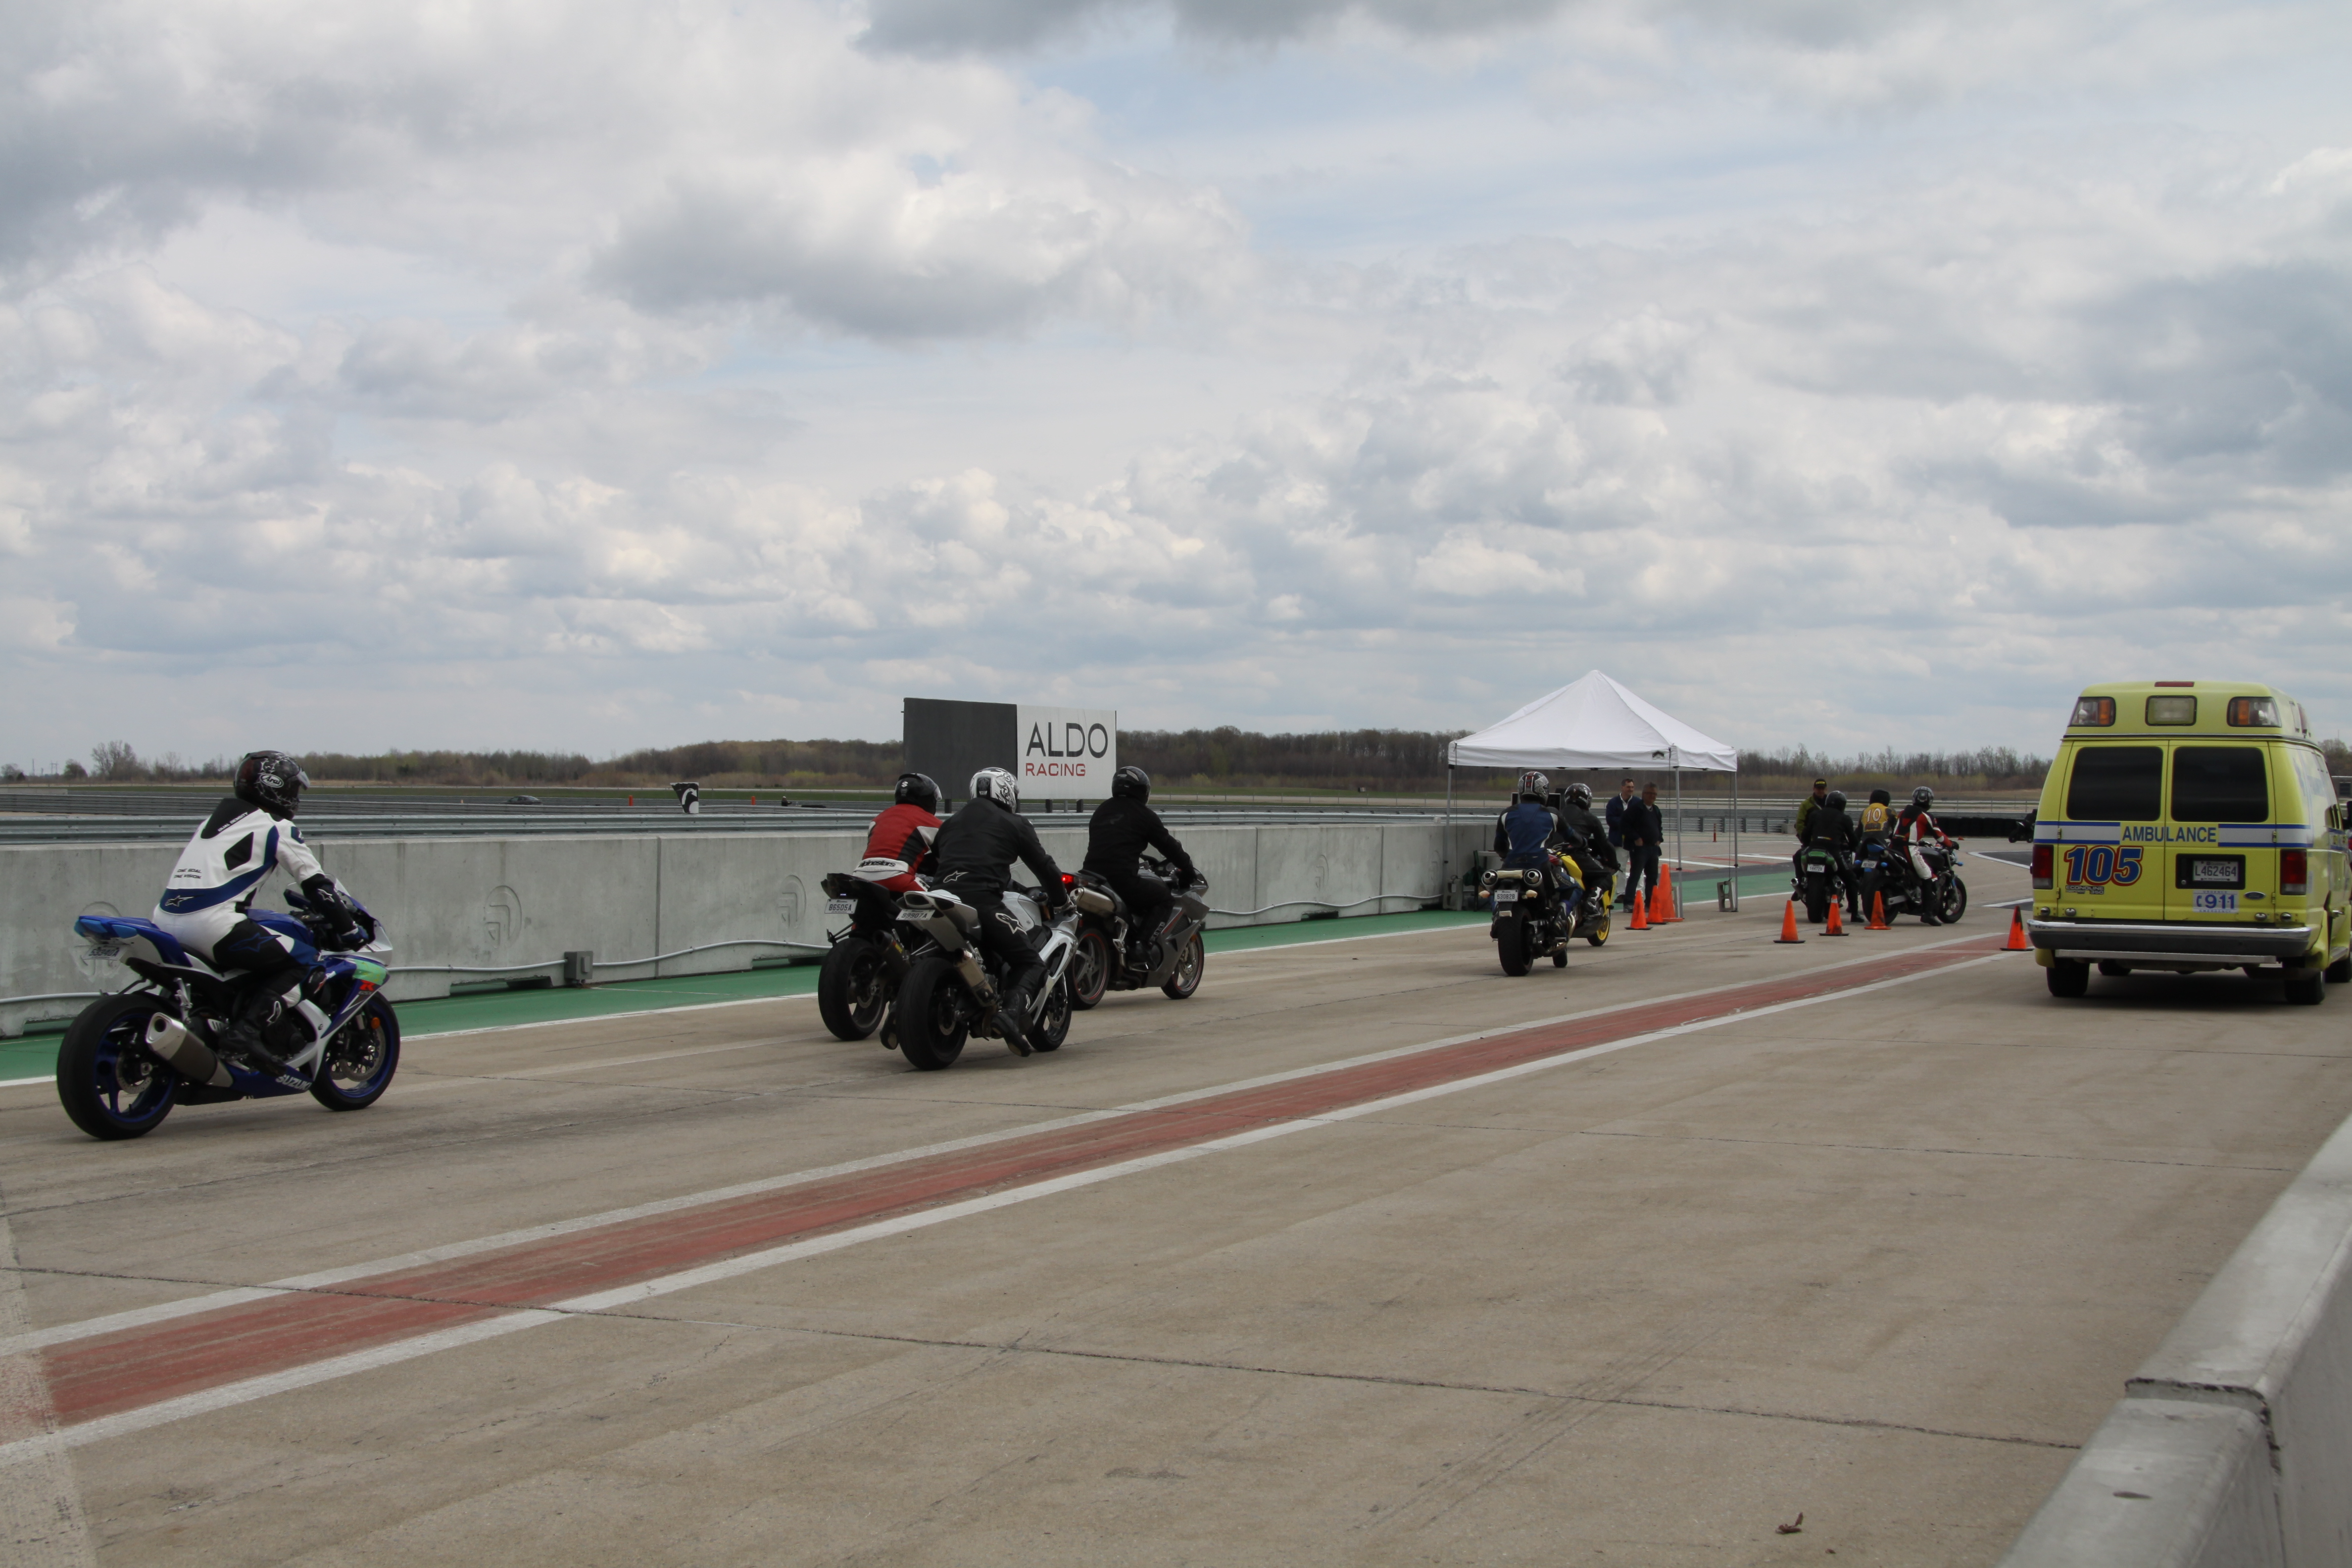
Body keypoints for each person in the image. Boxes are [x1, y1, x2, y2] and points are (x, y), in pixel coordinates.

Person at [151, 750, 369, 1071]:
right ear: (276, 788)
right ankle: (245, 1035)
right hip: (212, 925)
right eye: (293, 789)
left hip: (164, 921)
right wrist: (349, 930)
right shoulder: (275, 826)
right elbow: (318, 887)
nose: (296, 798)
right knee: (307, 961)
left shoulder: (211, 822)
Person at [931, 767, 1069, 1053]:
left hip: (939, 898)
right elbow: (1044, 867)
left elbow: (937, 858)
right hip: (981, 901)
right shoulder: (1015, 823)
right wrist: (1062, 901)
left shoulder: (950, 823)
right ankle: (1009, 1015)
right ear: (1007, 793)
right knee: (1030, 962)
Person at [1083, 765, 1197, 965]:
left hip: (1090, 877)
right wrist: (1187, 869)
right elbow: (1169, 846)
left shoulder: (1101, 811)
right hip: (1121, 880)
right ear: (1142, 791)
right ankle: (1142, 946)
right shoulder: (1144, 815)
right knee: (1164, 899)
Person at [1494, 771, 1579, 917]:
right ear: (1544, 791)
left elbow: (1499, 846)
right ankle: (1561, 915)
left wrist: (1507, 855)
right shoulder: (1552, 814)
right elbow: (1572, 837)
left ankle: (1497, 914)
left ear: (1521, 790)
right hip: (1540, 866)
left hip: (1511, 865)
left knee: (1496, 889)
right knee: (1574, 887)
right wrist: (1583, 844)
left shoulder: (1506, 814)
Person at [859, 773, 943, 893]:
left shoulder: (878, 819)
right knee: (942, 896)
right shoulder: (931, 822)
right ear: (929, 798)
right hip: (898, 877)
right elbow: (947, 860)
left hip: (861, 876)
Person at [1555, 782, 1618, 911]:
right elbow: (1605, 844)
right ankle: (1591, 901)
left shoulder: (1556, 815)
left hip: (1552, 854)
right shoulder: (1589, 817)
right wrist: (1614, 863)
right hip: (1575, 854)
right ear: (1587, 800)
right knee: (1606, 876)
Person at [1896, 784, 1952, 926]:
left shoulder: (1902, 812)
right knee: (1928, 876)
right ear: (1930, 801)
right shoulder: (1926, 816)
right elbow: (1939, 837)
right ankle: (1928, 914)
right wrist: (1951, 844)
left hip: (1893, 847)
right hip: (1908, 848)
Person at [1803, 788, 1862, 920]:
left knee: (1799, 861)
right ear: (1842, 805)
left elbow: (1805, 834)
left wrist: (1807, 845)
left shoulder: (1815, 814)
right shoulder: (1845, 818)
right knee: (1851, 879)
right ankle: (1854, 913)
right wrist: (1853, 848)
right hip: (1833, 851)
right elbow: (1853, 840)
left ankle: (1801, 885)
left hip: (1814, 849)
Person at [1622, 784, 1664, 914]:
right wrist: (1636, 838)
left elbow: (1659, 827)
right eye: (1650, 793)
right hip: (1640, 849)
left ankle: (1650, 903)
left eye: (1655, 794)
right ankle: (1629, 903)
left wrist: (1660, 839)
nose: (1652, 796)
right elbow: (1624, 825)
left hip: (1653, 848)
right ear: (1644, 794)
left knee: (1652, 877)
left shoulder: (1656, 810)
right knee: (1635, 875)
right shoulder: (1636, 809)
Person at [1605, 779, 1639, 909]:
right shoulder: (1613, 803)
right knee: (1620, 868)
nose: (1631, 789)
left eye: (1632, 787)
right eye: (1629, 787)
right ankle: (1621, 893)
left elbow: (1641, 819)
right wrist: (1626, 822)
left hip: (1635, 841)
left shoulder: (1638, 802)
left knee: (1638, 868)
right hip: (1620, 842)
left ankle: (1638, 893)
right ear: (1622, 788)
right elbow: (1610, 820)